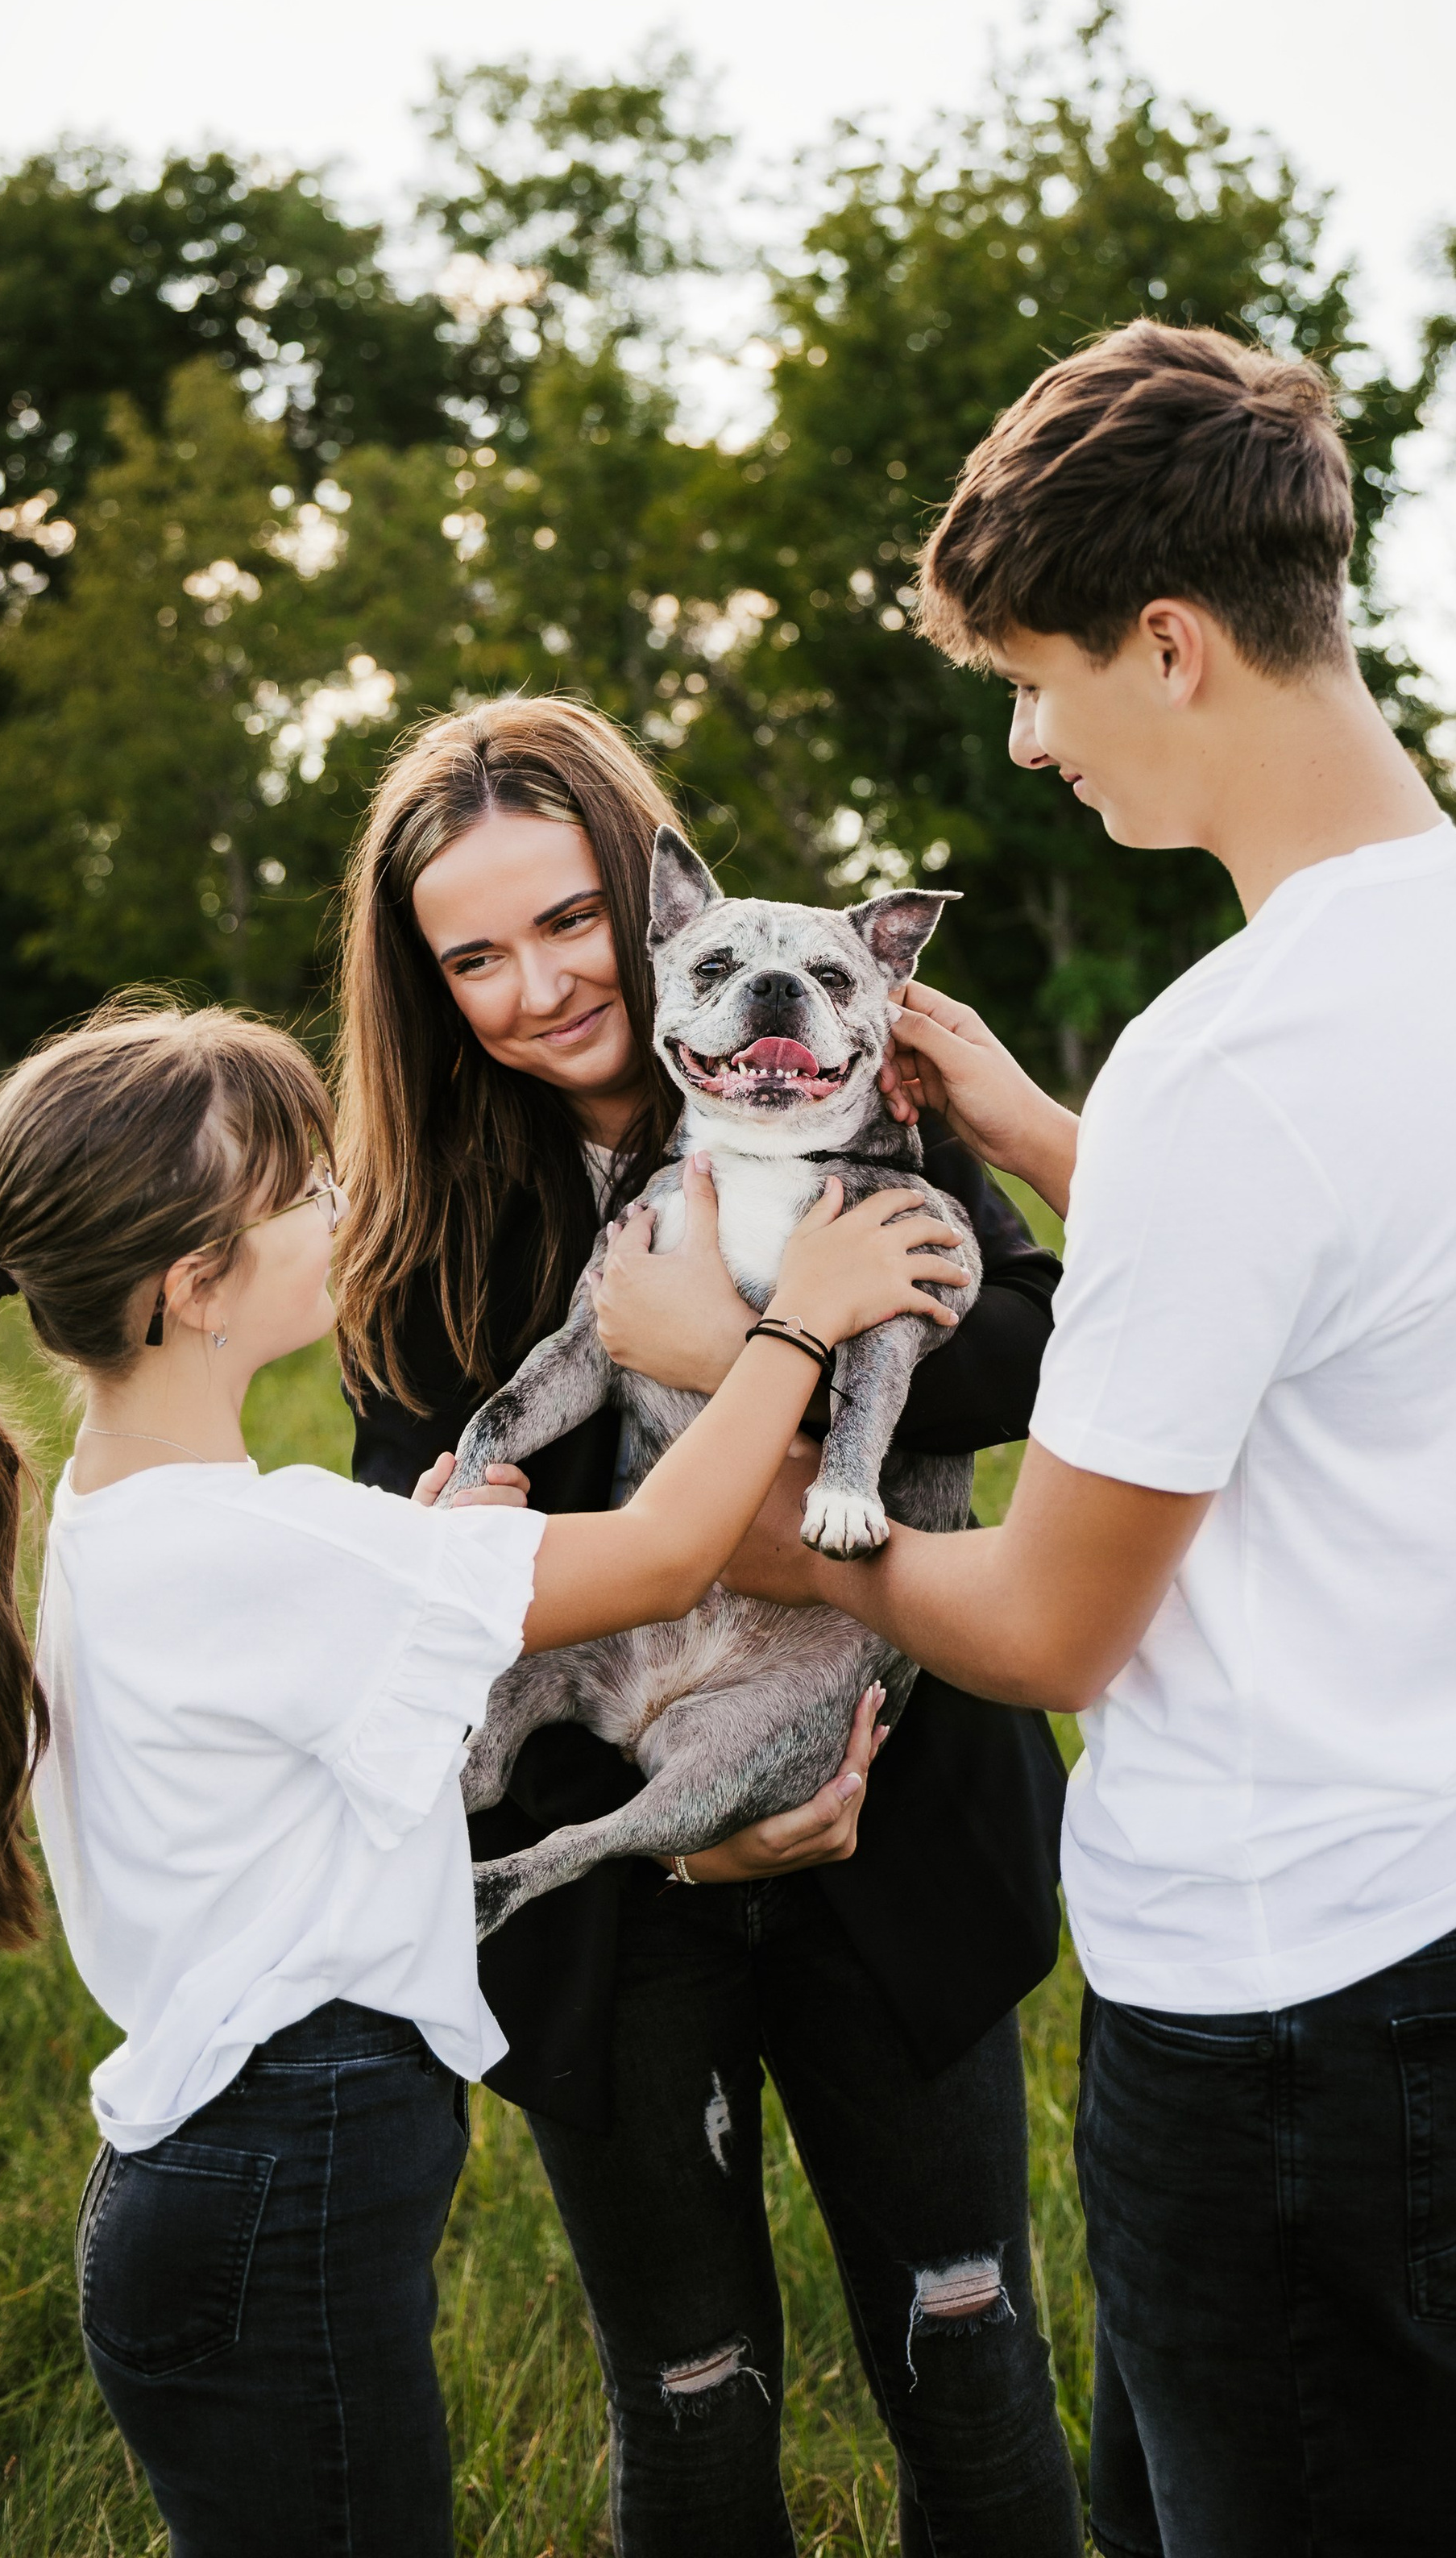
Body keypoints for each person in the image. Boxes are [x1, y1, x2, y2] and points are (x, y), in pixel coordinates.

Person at [728, 321, 1456, 2558]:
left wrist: (745, 1520)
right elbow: (1332, 1286)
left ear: (1169, 641)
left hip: (1296, 1989)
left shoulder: (1241, 1063)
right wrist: (1052, 1135)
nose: (1026, 742)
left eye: (1036, 678)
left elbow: (1038, 1625)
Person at [0, 995, 955, 2558]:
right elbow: (664, 1554)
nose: (341, 1210)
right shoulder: (295, 1547)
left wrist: (428, 1549)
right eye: (303, 1195)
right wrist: (796, 1321)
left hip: (209, 2172)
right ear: (196, 1287)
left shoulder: (131, 1517)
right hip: (289, 2163)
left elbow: (336, 1649)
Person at [331, 696, 1084, 2558]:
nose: (537, 983)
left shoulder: (845, 1086)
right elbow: (426, 1611)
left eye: (570, 918)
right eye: (474, 955)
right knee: (686, 2404)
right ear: (425, 989)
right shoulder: (420, 1229)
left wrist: (783, 1321)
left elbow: (1033, 1343)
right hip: (600, 1872)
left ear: (650, 907)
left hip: (888, 1809)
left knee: (968, 2371)